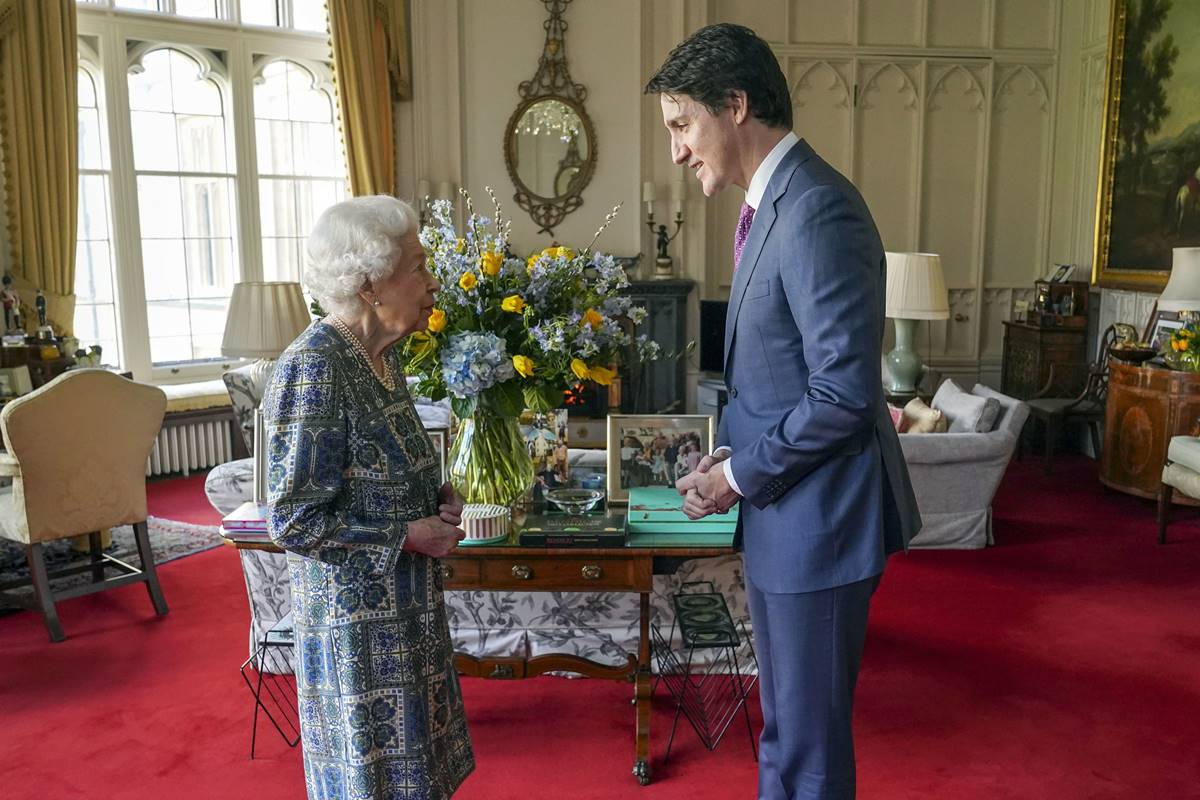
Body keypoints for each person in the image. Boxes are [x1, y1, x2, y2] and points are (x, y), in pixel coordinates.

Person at [647, 24, 921, 800]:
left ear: (735, 105)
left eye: (681, 125)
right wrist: (721, 458)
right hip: (788, 515)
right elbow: (774, 378)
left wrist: (738, 477)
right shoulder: (774, 207)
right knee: (785, 732)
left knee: (805, 746)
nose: (676, 151)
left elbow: (842, 396)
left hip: (821, 524)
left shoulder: (817, 209)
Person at [264, 195, 474, 800]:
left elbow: (374, 473)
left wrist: (434, 498)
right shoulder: (316, 365)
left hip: (406, 613)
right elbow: (293, 520)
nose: (431, 282)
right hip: (356, 634)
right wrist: (407, 534)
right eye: (417, 266)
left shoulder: (382, 358)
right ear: (369, 284)